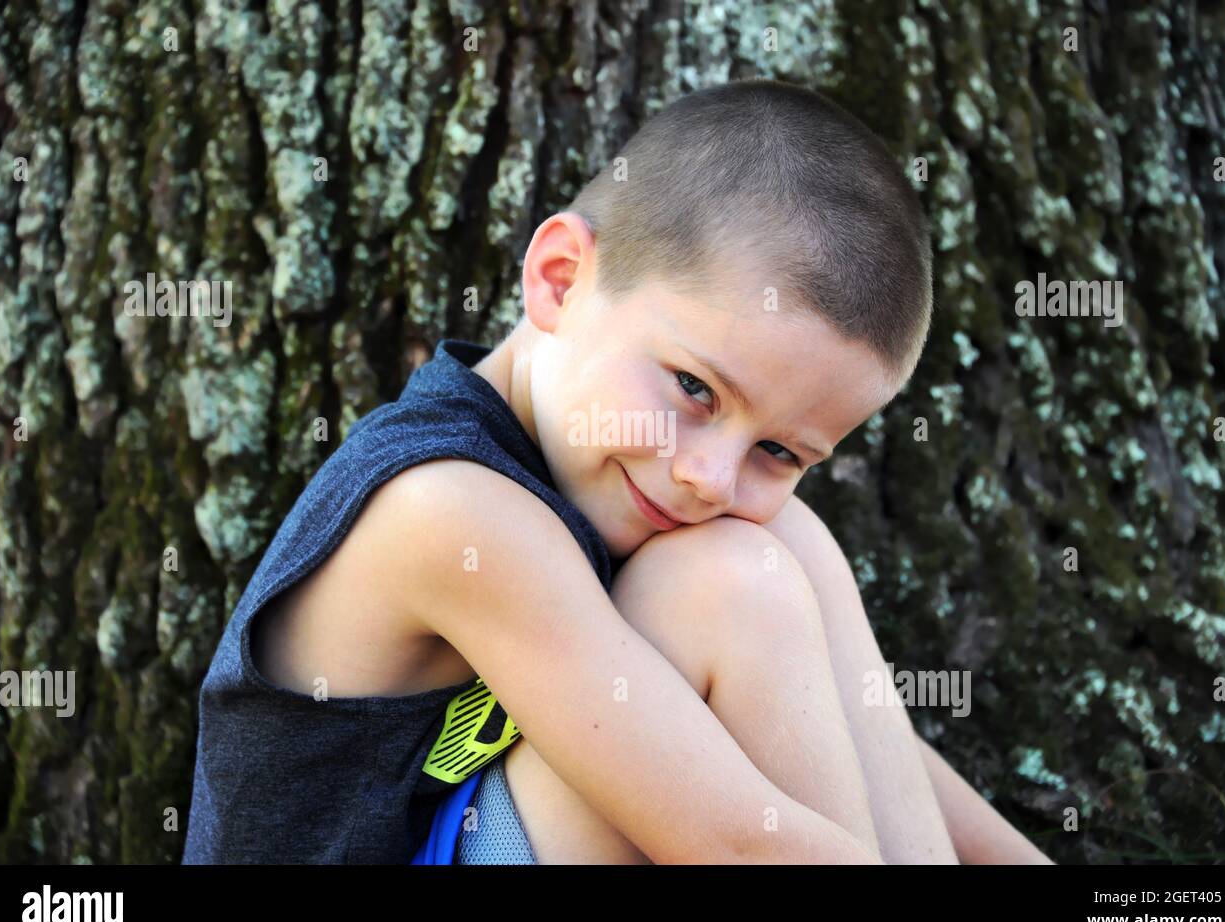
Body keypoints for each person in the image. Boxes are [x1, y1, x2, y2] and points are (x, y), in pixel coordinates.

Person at [182, 77, 1054, 865]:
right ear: (560, 280)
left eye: (780, 451)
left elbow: (863, 729)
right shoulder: (448, 513)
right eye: (692, 387)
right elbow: (738, 845)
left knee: (783, 538)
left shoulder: (603, 475)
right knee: (730, 579)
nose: (710, 475)